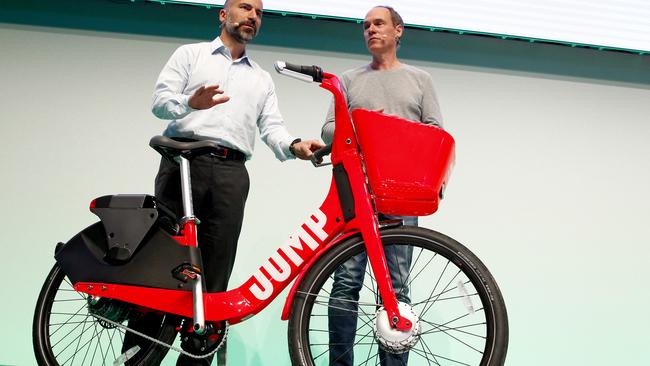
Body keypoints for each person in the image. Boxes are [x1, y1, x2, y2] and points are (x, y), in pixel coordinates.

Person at [123, 0, 324, 365]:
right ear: (223, 14)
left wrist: (294, 146)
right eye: (245, 7)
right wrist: (190, 103)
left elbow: (272, 128)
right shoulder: (191, 55)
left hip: (232, 174)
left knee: (215, 279)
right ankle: (137, 360)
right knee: (160, 269)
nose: (252, 16)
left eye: (259, 13)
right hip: (183, 163)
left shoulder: (261, 79)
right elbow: (160, 102)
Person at [321, 6, 443, 366]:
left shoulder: (420, 80)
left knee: (397, 289)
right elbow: (329, 130)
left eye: (378, 24)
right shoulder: (348, 79)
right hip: (357, 193)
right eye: (365, 26)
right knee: (346, 281)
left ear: (398, 31)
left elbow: (434, 131)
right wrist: (369, 129)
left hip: (403, 192)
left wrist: (394, 132)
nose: (371, 30)